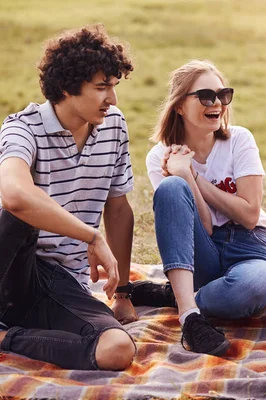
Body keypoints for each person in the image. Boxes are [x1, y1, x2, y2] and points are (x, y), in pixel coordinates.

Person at [0, 25, 137, 370]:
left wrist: (122, 294)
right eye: (101, 87)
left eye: (114, 87)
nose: (113, 99)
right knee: (20, 212)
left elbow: (118, 209)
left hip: (58, 283)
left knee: (117, 349)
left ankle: (5, 338)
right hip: (8, 264)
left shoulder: (114, 126)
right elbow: (14, 196)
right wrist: (90, 235)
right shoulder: (22, 129)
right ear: (66, 87)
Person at [131, 60, 266, 356]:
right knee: (171, 188)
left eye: (223, 95)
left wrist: (194, 175)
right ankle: (190, 317)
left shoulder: (239, 140)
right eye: (205, 96)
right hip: (202, 251)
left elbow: (250, 215)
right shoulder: (160, 156)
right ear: (179, 106)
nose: (217, 103)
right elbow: (207, 227)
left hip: (250, 247)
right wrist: (182, 176)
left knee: (252, 287)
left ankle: (179, 296)